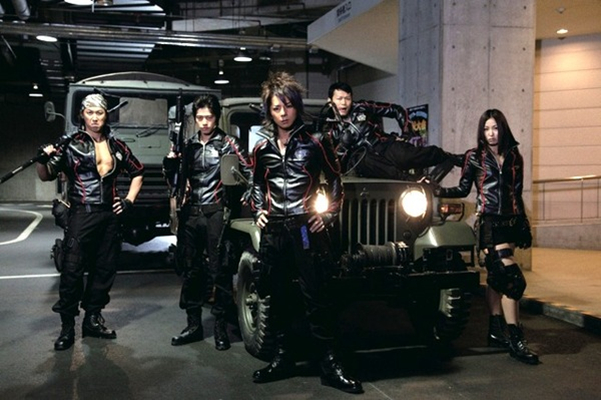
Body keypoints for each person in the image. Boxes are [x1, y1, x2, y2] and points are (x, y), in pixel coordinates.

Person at [249, 71, 363, 394]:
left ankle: (330, 366)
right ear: (269, 111)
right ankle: (282, 358)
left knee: (317, 298)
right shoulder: (262, 148)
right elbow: (256, 184)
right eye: (276, 108)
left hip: (304, 230)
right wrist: (258, 210)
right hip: (274, 230)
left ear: (296, 106)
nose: (283, 113)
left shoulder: (316, 141)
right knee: (277, 297)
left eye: (287, 106)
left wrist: (328, 215)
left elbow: (336, 179)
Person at [36, 93, 144, 351]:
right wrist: (42, 159)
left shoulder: (117, 145)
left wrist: (128, 201)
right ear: (82, 115)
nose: (95, 118)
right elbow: (46, 175)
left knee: (104, 270)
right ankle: (67, 328)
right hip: (81, 214)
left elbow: (138, 172)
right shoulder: (70, 144)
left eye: (100, 113)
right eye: (90, 113)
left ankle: (92, 320)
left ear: (106, 115)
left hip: (109, 216)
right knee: (72, 271)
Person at [435, 109, 539, 365]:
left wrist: (524, 223)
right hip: (490, 223)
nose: (491, 133)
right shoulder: (475, 156)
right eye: (486, 129)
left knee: (495, 278)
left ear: (502, 129)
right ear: (482, 132)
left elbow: (516, 193)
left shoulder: (514, 156)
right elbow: (463, 189)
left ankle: (495, 330)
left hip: (510, 223)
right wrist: (436, 189)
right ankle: (516, 339)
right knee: (512, 280)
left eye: (495, 128)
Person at [163, 94, 251, 351]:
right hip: (191, 212)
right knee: (191, 270)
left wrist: (244, 196)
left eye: (209, 117)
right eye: (200, 117)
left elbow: (249, 172)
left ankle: (221, 327)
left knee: (219, 271)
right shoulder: (187, 145)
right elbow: (174, 178)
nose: (204, 122)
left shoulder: (229, 143)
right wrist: (171, 162)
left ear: (216, 117)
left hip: (216, 211)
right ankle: (193, 325)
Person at [325, 82, 462, 179]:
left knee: (411, 155)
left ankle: (454, 158)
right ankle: (412, 180)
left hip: (384, 146)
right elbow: (335, 165)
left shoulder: (362, 107)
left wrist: (407, 132)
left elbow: (396, 110)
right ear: (330, 101)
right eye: (339, 99)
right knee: (366, 161)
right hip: (363, 160)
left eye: (347, 98)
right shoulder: (329, 129)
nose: (344, 103)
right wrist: (343, 146)